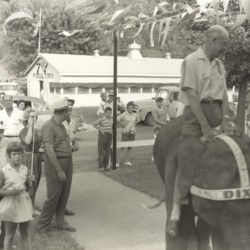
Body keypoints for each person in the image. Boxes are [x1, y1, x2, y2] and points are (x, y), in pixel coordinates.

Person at [168, 25, 232, 238]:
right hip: (195, 118)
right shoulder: (191, 61)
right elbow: (193, 96)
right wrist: (205, 126)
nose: (224, 48)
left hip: (215, 114)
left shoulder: (220, 65)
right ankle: (176, 211)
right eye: (223, 44)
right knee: (186, 157)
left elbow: (223, 95)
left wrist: (225, 120)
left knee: (229, 156)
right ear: (213, 39)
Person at [36, 98, 76, 233]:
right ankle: (42, 226)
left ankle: (60, 222)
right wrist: (59, 171)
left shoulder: (61, 125)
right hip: (55, 163)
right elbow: (49, 150)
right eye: (68, 111)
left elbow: (62, 143)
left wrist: (72, 148)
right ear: (63, 112)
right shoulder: (48, 126)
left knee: (64, 194)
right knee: (53, 196)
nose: (70, 114)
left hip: (67, 161)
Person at [0, 142, 33, 250]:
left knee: (25, 234)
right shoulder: (4, 171)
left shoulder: (25, 169)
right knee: (9, 235)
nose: (18, 157)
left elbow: (28, 188)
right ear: (8, 155)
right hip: (10, 204)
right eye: (14, 154)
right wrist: (9, 193)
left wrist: (31, 182)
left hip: (23, 203)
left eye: (19, 154)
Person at [19, 109, 42, 207]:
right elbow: (28, 141)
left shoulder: (36, 131)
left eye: (36, 116)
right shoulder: (23, 130)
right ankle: (25, 206)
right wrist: (30, 127)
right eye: (32, 116)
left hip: (36, 158)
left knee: (35, 181)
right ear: (27, 118)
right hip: (27, 158)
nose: (35, 118)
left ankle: (31, 205)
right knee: (28, 181)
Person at [62, 98, 79, 216]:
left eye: (71, 108)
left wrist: (76, 143)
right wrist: (69, 147)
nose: (69, 110)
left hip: (69, 155)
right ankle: (56, 209)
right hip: (60, 156)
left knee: (67, 183)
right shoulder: (59, 123)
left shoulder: (73, 122)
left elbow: (73, 136)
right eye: (67, 108)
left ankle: (63, 207)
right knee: (60, 183)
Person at [116, 101, 140, 167]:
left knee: (129, 147)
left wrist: (135, 122)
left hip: (132, 132)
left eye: (132, 108)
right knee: (122, 147)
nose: (131, 109)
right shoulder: (124, 114)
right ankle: (118, 162)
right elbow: (117, 119)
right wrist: (122, 124)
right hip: (125, 132)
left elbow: (139, 119)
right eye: (129, 107)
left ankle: (127, 161)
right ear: (127, 108)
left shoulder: (134, 114)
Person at [93, 107, 113, 171]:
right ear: (105, 113)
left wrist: (112, 133)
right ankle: (101, 166)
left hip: (110, 136)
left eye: (110, 112)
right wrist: (100, 129)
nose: (109, 114)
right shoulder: (102, 119)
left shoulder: (112, 119)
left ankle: (106, 166)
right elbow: (94, 124)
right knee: (101, 151)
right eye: (107, 112)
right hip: (103, 135)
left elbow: (112, 127)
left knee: (108, 151)